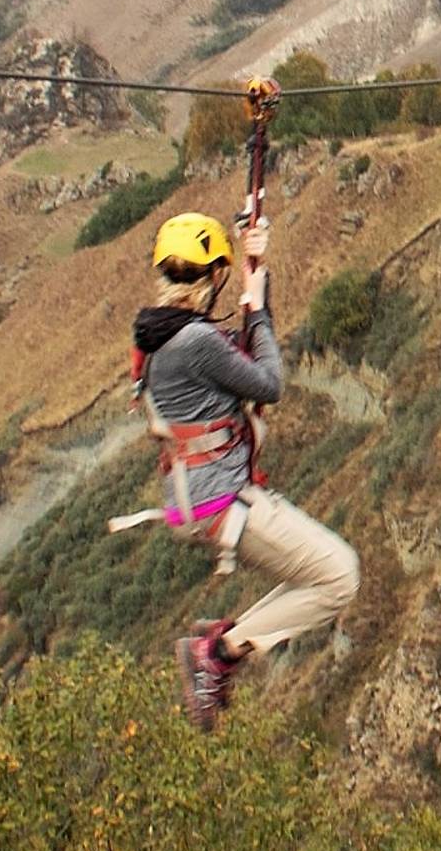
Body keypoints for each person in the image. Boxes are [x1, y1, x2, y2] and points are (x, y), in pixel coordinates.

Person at [135, 191, 359, 729]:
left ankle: (218, 649)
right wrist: (255, 300)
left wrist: (257, 273)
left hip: (201, 502)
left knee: (319, 575)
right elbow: (269, 381)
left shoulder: (160, 335)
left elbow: (243, 355)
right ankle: (215, 654)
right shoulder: (194, 341)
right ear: (211, 280)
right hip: (222, 502)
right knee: (340, 578)